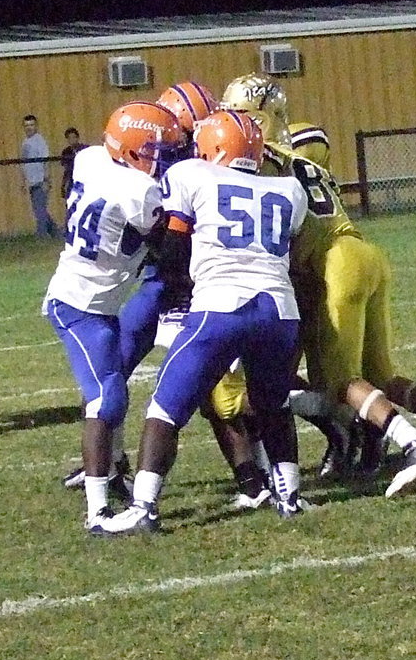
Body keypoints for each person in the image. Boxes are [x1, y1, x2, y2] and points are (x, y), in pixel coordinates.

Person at [221, 73, 416, 499]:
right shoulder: (306, 160)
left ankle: (414, 444)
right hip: (365, 252)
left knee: (337, 382)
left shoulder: (264, 163)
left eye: (239, 117)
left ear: (258, 119)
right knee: (380, 376)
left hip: (334, 264)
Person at [100, 109, 309, 535]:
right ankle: (290, 496)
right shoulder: (289, 189)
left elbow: (175, 247)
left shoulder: (192, 173)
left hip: (222, 306)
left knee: (165, 406)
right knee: (274, 404)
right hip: (280, 311)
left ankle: (144, 505)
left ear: (212, 148)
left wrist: (176, 284)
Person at [43, 101, 180, 533]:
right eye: (158, 150)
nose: (165, 158)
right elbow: (171, 245)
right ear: (131, 149)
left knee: (111, 386)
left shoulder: (90, 158)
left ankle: (108, 478)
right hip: (79, 306)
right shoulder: (138, 191)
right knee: (109, 397)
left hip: (96, 303)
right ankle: (97, 512)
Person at [20, 114, 58, 238]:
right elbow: (23, 163)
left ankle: (42, 235)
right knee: (40, 209)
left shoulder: (40, 141)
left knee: (39, 210)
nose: (29, 128)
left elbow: (45, 161)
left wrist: (46, 180)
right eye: (26, 125)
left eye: (31, 125)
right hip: (31, 181)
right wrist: (23, 180)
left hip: (40, 181)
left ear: (36, 126)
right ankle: (57, 233)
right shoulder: (25, 142)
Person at [57, 127, 88, 202]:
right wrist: (63, 185)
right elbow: (66, 170)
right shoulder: (66, 152)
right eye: (69, 138)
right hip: (72, 179)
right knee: (70, 201)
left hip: (85, 179)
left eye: (74, 137)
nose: (72, 140)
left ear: (78, 138)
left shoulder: (85, 149)